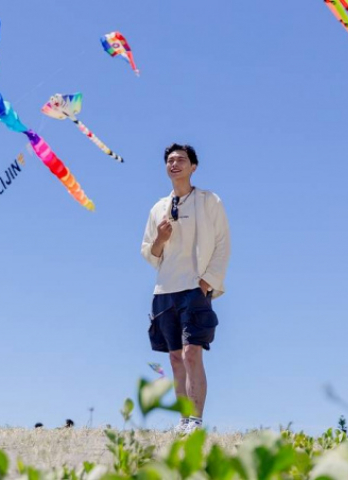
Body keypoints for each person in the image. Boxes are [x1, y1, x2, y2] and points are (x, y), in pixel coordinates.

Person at [141, 143, 230, 434]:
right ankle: (182, 420)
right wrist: (160, 239)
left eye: (181, 159)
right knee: (175, 357)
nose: (174, 163)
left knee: (193, 353)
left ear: (193, 167)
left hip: (195, 288)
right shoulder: (157, 209)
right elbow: (149, 253)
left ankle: (196, 420)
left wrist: (206, 282)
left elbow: (222, 244)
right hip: (165, 289)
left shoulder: (209, 201)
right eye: (170, 160)